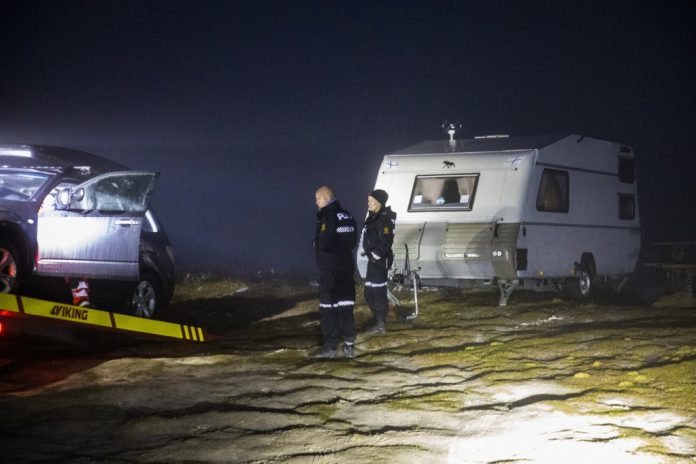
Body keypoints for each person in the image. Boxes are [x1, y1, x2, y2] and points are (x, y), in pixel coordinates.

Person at [313, 185, 358, 358]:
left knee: (327, 307)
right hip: (346, 267)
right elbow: (352, 242)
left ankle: (331, 347)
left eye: (318, 198)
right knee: (345, 305)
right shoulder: (348, 216)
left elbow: (325, 242)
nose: (316, 202)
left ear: (326, 198)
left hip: (331, 269)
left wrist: (316, 243)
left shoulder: (328, 217)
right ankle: (349, 345)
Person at [362, 189, 396, 334]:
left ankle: (380, 324)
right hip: (373, 260)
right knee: (369, 291)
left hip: (380, 261)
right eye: (368, 200)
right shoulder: (373, 217)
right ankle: (377, 319)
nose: (368, 203)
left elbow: (387, 240)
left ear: (378, 202)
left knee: (377, 292)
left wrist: (376, 254)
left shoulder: (385, 218)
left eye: (371, 201)